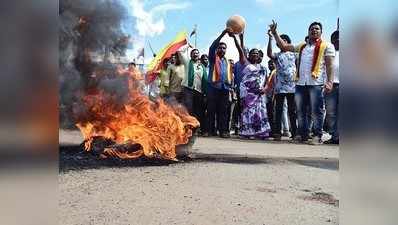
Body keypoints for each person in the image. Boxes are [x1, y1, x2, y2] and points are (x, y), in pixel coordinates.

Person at [269, 20, 335, 145]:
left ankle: (317, 135)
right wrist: (275, 33)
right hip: (300, 84)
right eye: (312, 29)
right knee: (300, 110)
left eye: (317, 29)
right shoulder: (302, 46)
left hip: (316, 83)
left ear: (321, 32)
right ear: (308, 32)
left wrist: (330, 82)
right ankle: (302, 134)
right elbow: (284, 46)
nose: (314, 30)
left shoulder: (327, 46)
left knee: (316, 111)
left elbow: (330, 66)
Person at [230, 33, 271, 139]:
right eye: (252, 53)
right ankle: (248, 132)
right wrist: (239, 38)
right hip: (248, 95)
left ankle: (260, 132)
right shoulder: (246, 64)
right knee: (248, 113)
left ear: (259, 56)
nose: (254, 55)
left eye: (256, 53)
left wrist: (265, 89)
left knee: (260, 113)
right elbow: (240, 49)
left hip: (260, 95)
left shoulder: (263, 68)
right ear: (249, 55)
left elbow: (267, 82)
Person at [267, 32, 297, 141]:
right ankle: (277, 133)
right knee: (278, 110)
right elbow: (269, 54)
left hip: (292, 86)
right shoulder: (277, 55)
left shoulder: (294, 54)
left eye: (284, 40)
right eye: (280, 40)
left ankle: (294, 132)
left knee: (292, 110)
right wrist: (270, 38)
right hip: (280, 87)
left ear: (288, 43)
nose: (281, 41)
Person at [207, 28, 234, 138]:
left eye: (224, 48)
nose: (222, 49)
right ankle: (210, 131)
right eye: (220, 47)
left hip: (225, 88)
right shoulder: (213, 58)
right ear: (217, 49)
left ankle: (223, 131)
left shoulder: (228, 62)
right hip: (213, 87)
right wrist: (223, 33)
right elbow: (212, 47)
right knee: (211, 110)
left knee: (223, 111)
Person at [179, 48, 208, 135]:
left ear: (199, 56)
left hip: (199, 91)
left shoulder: (202, 66)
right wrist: (187, 46)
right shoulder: (188, 63)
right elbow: (180, 52)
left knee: (198, 111)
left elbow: (204, 79)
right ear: (191, 55)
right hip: (188, 90)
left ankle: (196, 129)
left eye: (197, 53)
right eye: (194, 53)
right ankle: (187, 129)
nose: (195, 54)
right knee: (188, 110)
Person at [324, 30, 339, 144]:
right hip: (330, 86)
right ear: (332, 41)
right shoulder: (328, 53)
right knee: (330, 112)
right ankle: (334, 135)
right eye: (335, 38)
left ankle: (338, 136)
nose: (338, 40)